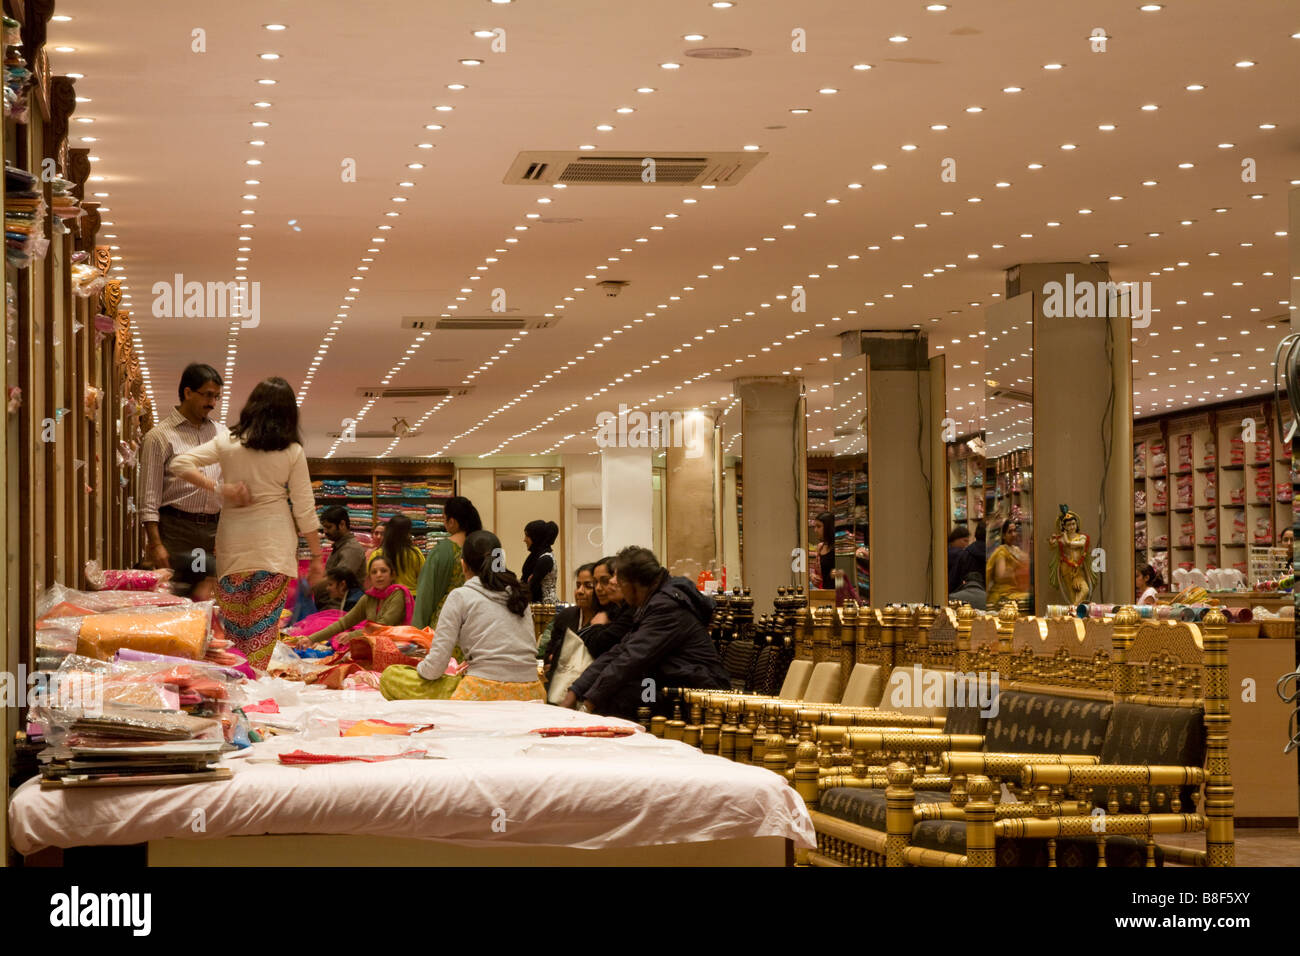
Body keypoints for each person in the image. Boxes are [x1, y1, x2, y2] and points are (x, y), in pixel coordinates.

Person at [169, 376, 323, 669]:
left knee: (236, 636)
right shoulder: (292, 451)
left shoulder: (228, 442)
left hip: (233, 549)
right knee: (261, 636)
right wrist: (315, 556)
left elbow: (179, 464)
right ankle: (254, 693)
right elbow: (304, 509)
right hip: (274, 550)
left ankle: (237, 690)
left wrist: (218, 488)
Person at [561, 546, 730, 719]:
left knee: (621, 697)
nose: (614, 584)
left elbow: (631, 659)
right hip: (668, 684)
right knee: (619, 690)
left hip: (693, 693)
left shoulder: (666, 606)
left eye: (618, 581)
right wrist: (576, 690)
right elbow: (619, 652)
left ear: (631, 584)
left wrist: (588, 704)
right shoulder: (653, 602)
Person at [386, 530, 546, 701]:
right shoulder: (519, 595)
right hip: (533, 691)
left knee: (391, 676)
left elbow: (435, 668)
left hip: (482, 691)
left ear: (464, 564)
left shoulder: (460, 596)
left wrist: (418, 669)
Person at [139, 363, 226, 597]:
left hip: (213, 530)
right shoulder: (159, 436)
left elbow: (226, 485)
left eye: (216, 397)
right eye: (207, 395)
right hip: (176, 530)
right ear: (187, 392)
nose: (212, 403)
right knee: (177, 598)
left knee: (210, 598)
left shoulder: (221, 434)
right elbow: (149, 498)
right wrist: (156, 544)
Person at [299, 555, 413, 645]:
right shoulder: (369, 597)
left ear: (392, 575)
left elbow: (383, 626)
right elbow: (344, 623)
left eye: (383, 571)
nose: (379, 575)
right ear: (370, 577)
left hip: (396, 646)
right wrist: (311, 639)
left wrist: (352, 635)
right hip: (373, 645)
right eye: (374, 572)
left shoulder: (398, 594)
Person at [411, 496, 483, 629]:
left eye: (444, 518)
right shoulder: (487, 546)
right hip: (480, 622)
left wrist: (418, 630)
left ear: (452, 522)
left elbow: (426, 594)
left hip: (447, 622)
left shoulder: (441, 551)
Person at [540, 563, 597, 690]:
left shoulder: (605, 619)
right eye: (578, 586)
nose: (580, 591)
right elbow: (548, 655)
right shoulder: (566, 615)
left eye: (588, 586)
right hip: (559, 684)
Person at [581, 555, 635, 657]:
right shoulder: (608, 611)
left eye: (605, 581)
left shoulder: (631, 611)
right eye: (595, 582)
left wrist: (597, 626)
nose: (598, 588)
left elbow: (599, 647)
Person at [367, 513, 424, 596]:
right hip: (411, 598)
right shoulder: (415, 553)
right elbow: (423, 579)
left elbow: (371, 579)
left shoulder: (378, 554)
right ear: (407, 533)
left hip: (386, 599)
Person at [986, 519, 1030, 611]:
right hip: (1003, 594)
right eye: (1010, 532)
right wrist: (1016, 571)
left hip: (1016, 592)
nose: (1014, 534)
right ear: (1003, 535)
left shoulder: (1016, 550)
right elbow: (1001, 576)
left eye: (1015, 531)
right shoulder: (1001, 552)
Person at [320, 505, 366, 584]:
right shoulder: (339, 546)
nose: (325, 532)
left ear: (342, 524)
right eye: (324, 528)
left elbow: (338, 581)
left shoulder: (352, 549)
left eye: (329, 527)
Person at [522, 519, 559, 604]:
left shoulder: (545, 559)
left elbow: (531, 587)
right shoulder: (536, 556)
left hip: (545, 609)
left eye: (527, 536)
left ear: (536, 538)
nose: (524, 540)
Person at [947, 525, 971, 595]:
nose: (967, 544)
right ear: (956, 539)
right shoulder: (960, 554)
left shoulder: (944, 550)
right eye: (965, 541)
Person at [814, 512, 836, 590]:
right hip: (825, 593)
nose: (815, 530)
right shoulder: (820, 547)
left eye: (819, 526)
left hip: (839, 595)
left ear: (828, 527)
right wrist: (813, 577)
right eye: (815, 527)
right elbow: (820, 575)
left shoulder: (838, 547)